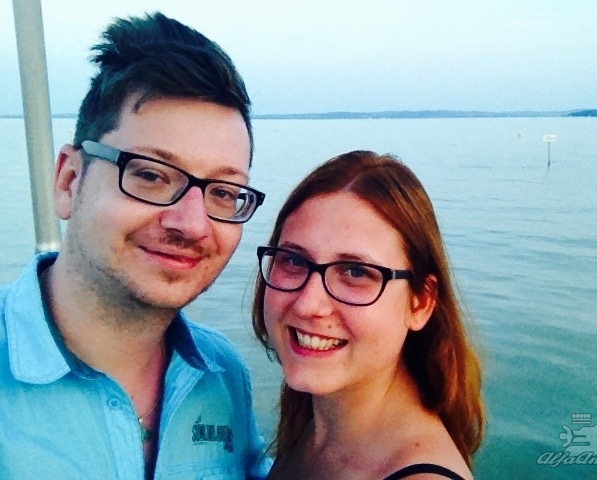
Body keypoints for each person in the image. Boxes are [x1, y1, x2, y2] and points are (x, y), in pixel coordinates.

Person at [0, 12, 271, 479]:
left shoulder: (222, 375)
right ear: (69, 180)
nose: (192, 225)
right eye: (149, 175)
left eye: (224, 193)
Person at [252, 151, 484, 479]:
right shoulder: (315, 430)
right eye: (293, 261)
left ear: (420, 302)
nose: (307, 304)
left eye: (356, 272)